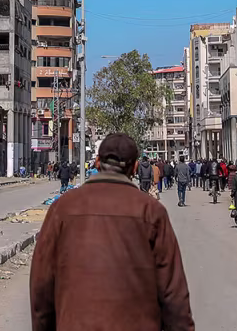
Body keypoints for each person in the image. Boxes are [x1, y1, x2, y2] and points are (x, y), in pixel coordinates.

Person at [30, 133, 194, 331]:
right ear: (134, 167)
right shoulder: (151, 211)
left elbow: (41, 284)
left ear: (97, 162)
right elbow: (173, 293)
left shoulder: (63, 208)